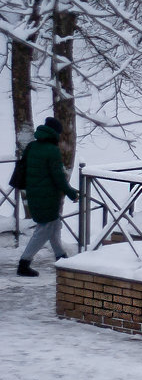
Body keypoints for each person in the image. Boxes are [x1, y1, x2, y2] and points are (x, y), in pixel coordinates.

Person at [16, 117, 79, 277]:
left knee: (54, 225)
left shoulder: (32, 146)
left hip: (34, 193)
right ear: (55, 133)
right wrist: (72, 193)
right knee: (44, 229)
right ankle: (24, 263)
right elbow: (58, 177)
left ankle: (61, 257)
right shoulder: (52, 150)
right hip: (48, 196)